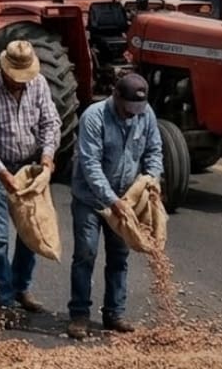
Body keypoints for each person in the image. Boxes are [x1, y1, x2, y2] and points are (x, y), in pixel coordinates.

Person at [0, 40, 61, 324]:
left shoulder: (38, 84)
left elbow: (50, 122)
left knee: (29, 230)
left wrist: (47, 157)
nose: (21, 82)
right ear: (4, 69)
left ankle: (21, 286)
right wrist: (2, 173)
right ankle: (3, 298)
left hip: (29, 165)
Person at [67, 74, 163, 340]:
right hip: (91, 199)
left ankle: (114, 313)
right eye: (128, 108)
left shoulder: (145, 114)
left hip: (125, 199)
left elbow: (154, 151)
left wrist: (152, 180)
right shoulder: (94, 117)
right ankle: (79, 315)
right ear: (116, 96)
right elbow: (90, 165)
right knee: (86, 254)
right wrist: (112, 201)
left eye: (137, 109)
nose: (132, 114)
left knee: (119, 257)